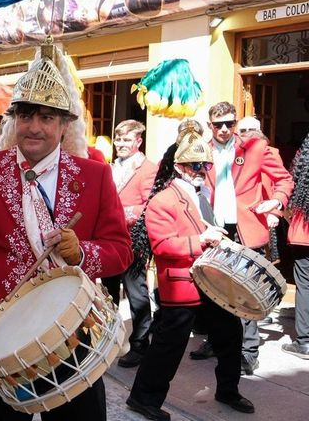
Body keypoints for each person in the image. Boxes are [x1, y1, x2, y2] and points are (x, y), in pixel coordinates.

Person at [0, 41, 131, 421]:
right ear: (13, 120)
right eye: (26, 115)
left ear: (64, 125)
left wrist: (83, 254)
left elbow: (121, 250)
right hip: (4, 333)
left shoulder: (94, 176)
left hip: (75, 331)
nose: (35, 127)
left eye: (47, 117)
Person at [127, 121, 255, 420]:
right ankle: (143, 398)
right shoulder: (163, 199)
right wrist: (201, 239)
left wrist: (214, 234)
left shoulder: (200, 194)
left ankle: (228, 389)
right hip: (181, 284)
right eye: (196, 164)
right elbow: (163, 247)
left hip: (209, 281)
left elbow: (200, 228)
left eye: (205, 164)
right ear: (180, 166)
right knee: (168, 347)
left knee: (230, 333)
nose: (202, 169)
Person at [189, 102, 294, 375]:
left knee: (246, 292)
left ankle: (249, 351)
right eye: (218, 124)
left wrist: (276, 201)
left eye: (230, 123)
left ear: (235, 123)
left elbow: (284, 180)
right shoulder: (201, 148)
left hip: (246, 229)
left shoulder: (255, 148)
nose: (224, 129)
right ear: (210, 125)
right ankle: (214, 340)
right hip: (215, 230)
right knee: (212, 289)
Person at [103, 119, 157, 368]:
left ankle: (140, 344)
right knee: (108, 293)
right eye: (119, 139)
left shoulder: (148, 168)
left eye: (127, 140)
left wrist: (123, 212)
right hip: (109, 240)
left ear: (138, 141)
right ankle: (110, 339)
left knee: (137, 294)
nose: (121, 144)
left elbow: (150, 205)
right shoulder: (110, 167)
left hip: (133, 241)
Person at [283, 132, 309, 359]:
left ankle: (304, 342)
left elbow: (288, 210)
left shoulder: (300, 173)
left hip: (304, 235)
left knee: (305, 288)